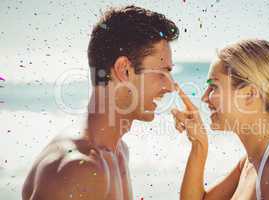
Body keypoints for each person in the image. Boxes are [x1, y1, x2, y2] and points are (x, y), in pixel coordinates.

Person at [22, 5, 179, 200]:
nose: (171, 87)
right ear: (124, 70)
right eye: (162, 73)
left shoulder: (117, 151)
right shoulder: (79, 170)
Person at [172, 39, 269, 200]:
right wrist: (199, 144)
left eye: (213, 86)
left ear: (249, 94)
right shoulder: (249, 163)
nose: (204, 97)